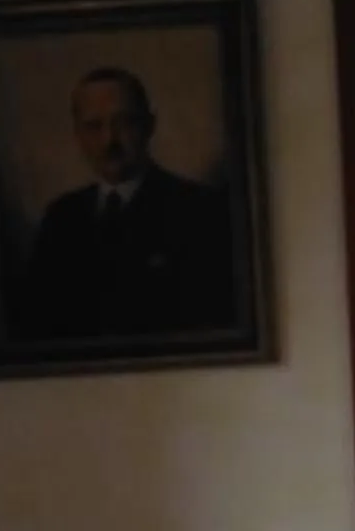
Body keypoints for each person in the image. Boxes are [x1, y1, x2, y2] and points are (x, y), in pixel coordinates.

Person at [14, 66, 235, 343]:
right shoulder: (61, 218)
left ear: (149, 126)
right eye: (94, 126)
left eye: (124, 123)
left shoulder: (199, 211)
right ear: (77, 135)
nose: (110, 141)